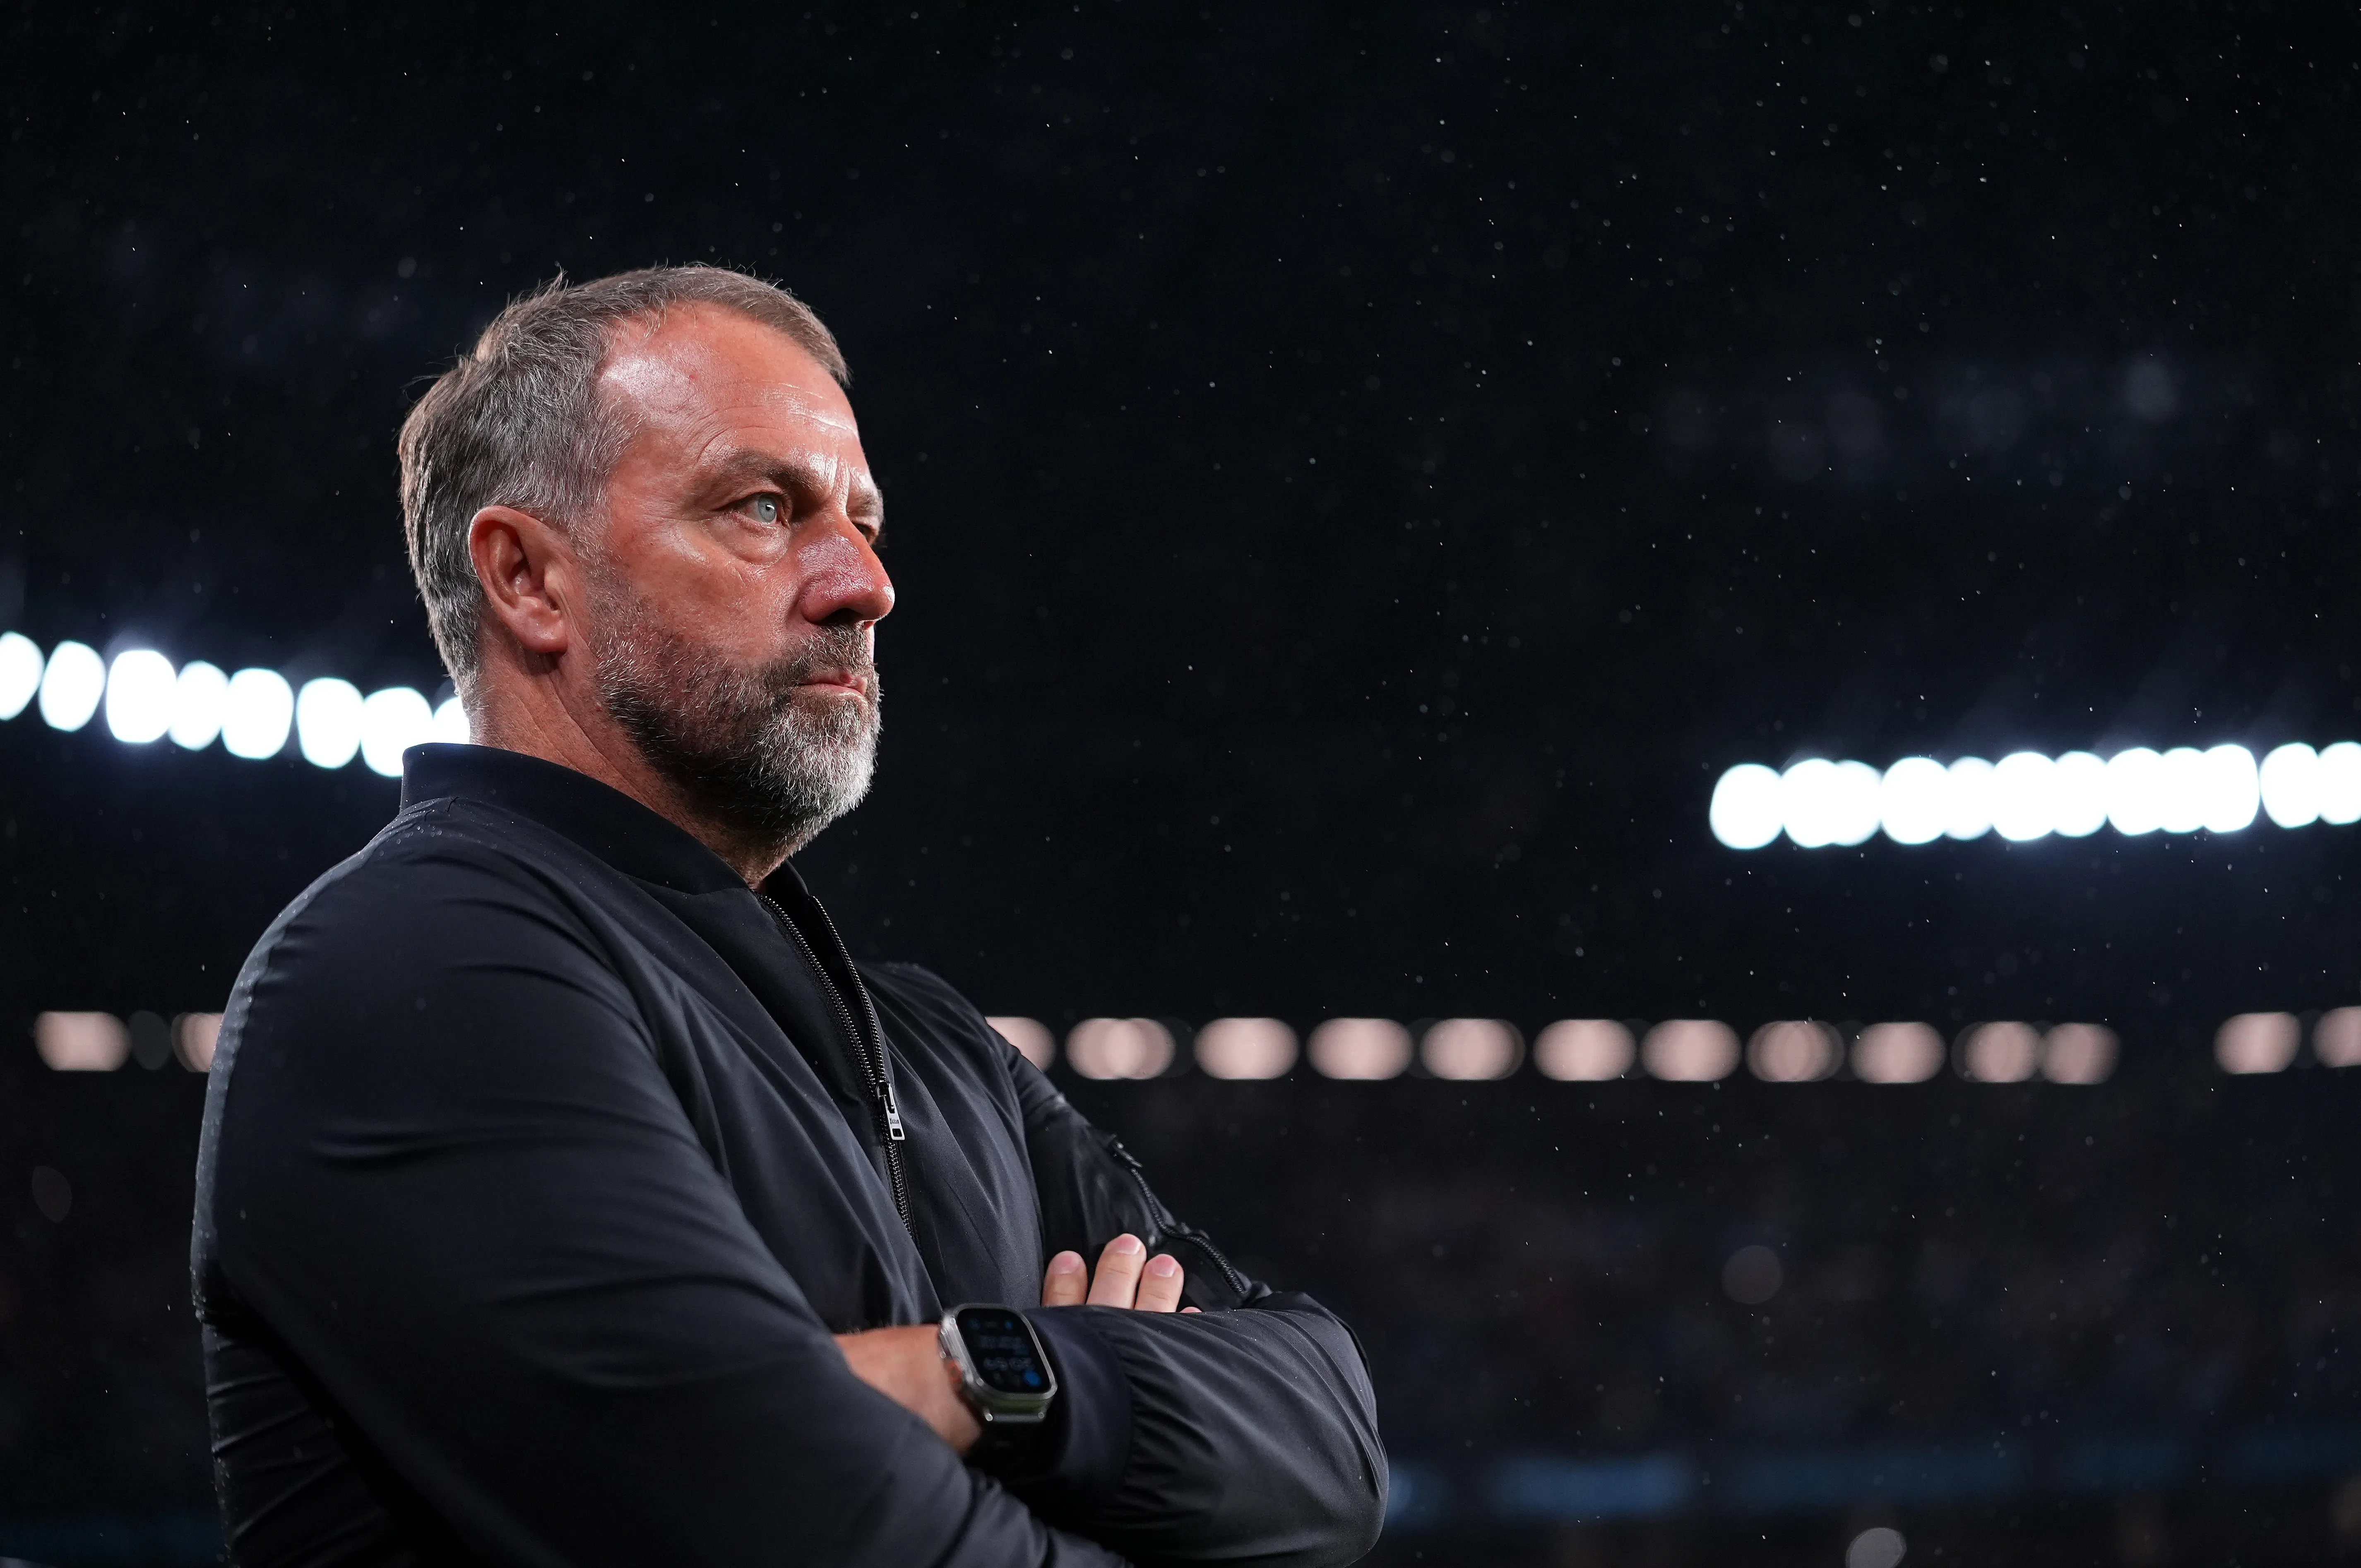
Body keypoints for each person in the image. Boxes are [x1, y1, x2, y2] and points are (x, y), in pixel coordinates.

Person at [190, 267, 1387, 1566]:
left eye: (864, 521)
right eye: (765, 507)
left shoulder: (934, 1041)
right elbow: (779, 1524)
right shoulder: (412, 961)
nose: (863, 584)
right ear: (529, 579)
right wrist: (1112, 1435)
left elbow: (1332, 1445)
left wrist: (987, 1376)